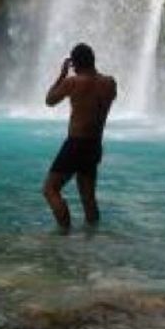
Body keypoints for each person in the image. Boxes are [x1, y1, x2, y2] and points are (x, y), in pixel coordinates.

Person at [42, 43, 117, 231]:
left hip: (75, 144)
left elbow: (49, 100)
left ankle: (64, 234)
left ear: (74, 64)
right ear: (93, 59)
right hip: (94, 145)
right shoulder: (110, 83)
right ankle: (93, 239)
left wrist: (62, 74)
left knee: (50, 190)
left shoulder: (73, 82)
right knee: (88, 198)